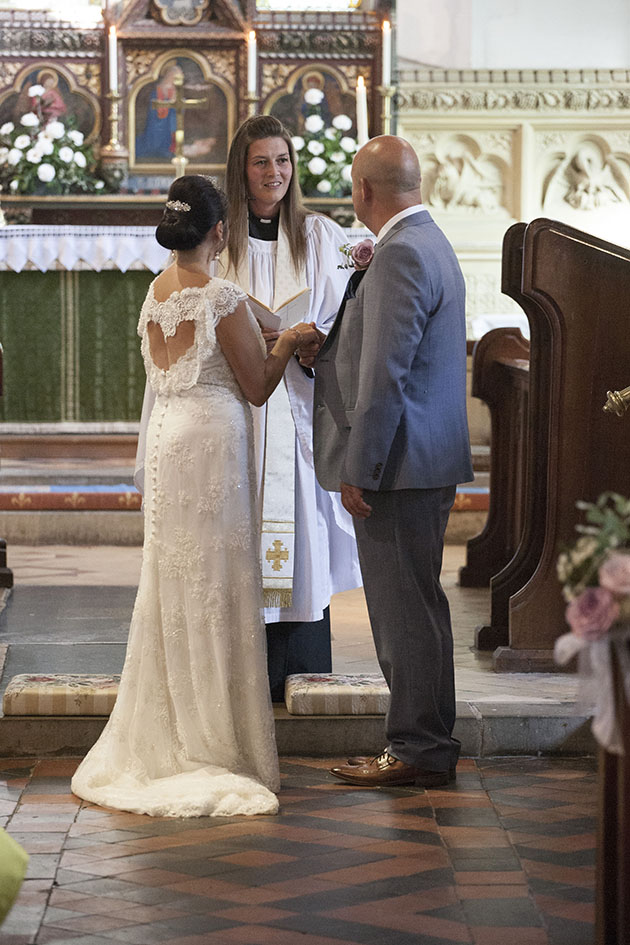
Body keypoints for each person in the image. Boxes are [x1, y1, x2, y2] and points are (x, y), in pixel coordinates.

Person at [71, 175, 318, 817]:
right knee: (217, 582)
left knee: (174, 584)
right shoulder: (221, 298)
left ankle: (171, 728)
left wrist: (270, 320)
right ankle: (216, 742)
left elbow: (249, 317)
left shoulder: (158, 292)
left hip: (168, 442)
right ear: (220, 231)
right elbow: (259, 385)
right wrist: (290, 340)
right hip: (212, 448)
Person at [308, 136, 474, 788]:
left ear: (364, 191)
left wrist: (359, 467)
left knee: (403, 614)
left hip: (399, 467)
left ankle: (415, 749)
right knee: (422, 608)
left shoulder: (401, 254)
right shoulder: (431, 240)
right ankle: (429, 742)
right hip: (425, 461)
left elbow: (384, 378)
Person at [220, 114, 362, 701]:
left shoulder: (322, 235)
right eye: (261, 162)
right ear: (241, 171)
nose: (273, 172)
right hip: (239, 410)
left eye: (282, 161)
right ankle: (245, 679)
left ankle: (303, 669)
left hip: (301, 408)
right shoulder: (217, 239)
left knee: (303, 535)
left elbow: (342, 316)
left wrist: (312, 342)